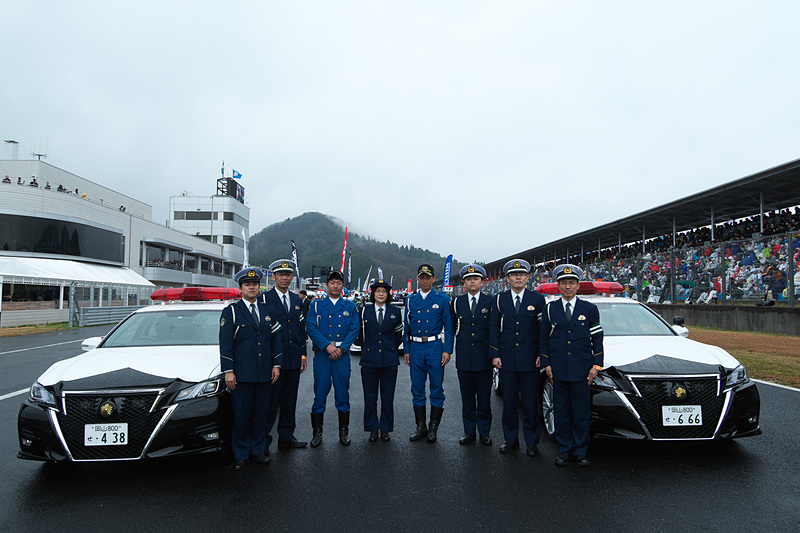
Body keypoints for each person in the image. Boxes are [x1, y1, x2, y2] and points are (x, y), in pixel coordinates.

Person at [219, 268, 283, 471]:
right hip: (242, 373)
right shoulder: (231, 311)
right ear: (240, 289)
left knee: (260, 414)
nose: (252, 287)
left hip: (264, 372)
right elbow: (225, 343)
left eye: (255, 285)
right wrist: (228, 370)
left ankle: (257, 450)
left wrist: (276, 365)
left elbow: (276, 340)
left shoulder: (267, 311)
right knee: (241, 414)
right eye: (248, 285)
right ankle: (240, 453)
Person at [540, 264, 604, 467]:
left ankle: (580, 450)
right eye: (564, 283)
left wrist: (597, 365)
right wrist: (547, 364)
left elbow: (598, 339)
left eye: (572, 283)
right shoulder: (550, 309)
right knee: (561, 410)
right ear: (558, 286)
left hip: (582, 369)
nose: (568, 286)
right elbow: (543, 339)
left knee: (581, 411)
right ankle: (564, 449)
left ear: (578, 286)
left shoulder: (590, 309)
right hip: (558, 368)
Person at [488, 259, 546, 457]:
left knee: (531, 404)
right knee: (510, 403)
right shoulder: (499, 299)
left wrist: (541, 355)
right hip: (507, 360)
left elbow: (542, 331)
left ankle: (532, 442)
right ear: (507, 279)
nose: (518, 277)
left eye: (521, 274)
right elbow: (494, 328)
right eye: (514, 275)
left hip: (530, 360)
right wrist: (494, 354)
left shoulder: (538, 300)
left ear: (527, 277)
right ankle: (510, 440)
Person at [306, 270, 360, 447]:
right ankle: (317, 433)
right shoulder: (316, 306)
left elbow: (354, 329)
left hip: (341, 355)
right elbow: (311, 327)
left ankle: (343, 432)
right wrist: (327, 346)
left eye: (339, 282)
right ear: (327, 285)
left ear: (342, 285)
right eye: (332, 282)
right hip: (323, 353)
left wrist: (342, 348)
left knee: (343, 392)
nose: (335, 285)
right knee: (320, 392)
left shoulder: (350, 307)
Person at [260, 259, 309, 453]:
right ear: (274, 277)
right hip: (273, 361)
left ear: (292, 278)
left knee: (290, 400)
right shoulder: (264, 299)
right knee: (270, 402)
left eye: (288, 275)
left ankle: (286, 436)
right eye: (280, 274)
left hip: (293, 358)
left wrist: (303, 355)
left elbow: (300, 329)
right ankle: (263, 441)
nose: (284, 278)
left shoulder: (297, 300)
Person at [404, 264, 454, 443]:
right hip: (416, 347)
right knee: (417, 388)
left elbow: (449, 328)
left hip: (434, 346)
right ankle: (421, 426)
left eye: (428, 277)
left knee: (436, 388)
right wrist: (407, 350)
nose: (425, 280)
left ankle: (433, 428)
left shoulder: (442, 299)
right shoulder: (410, 300)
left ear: (433, 279)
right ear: (418, 279)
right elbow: (406, 330)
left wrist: (447, 350)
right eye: (422, 277)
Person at [351, 279, 403, 442]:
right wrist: (368, 347)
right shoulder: (364, 311)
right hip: (369, 359)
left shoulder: (395, 311)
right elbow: (360, 335)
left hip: (389, 360)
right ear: (372, 293)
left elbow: (398, 336)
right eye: (377, 291)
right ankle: (373, 427)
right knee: (370, 396)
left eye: (384, 291)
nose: (381, 294)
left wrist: (389, 348)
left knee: (388, 397)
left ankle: (385, 428)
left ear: (388, 294)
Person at [450, 264, 493, 446]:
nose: (472, 281)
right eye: (469, 279)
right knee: (467, 399)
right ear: (464, 282)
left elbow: (494, 330)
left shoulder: (491, 302)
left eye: (476, 279)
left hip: (484, 359)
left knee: (484, 399)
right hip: (464, 359)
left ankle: (484, 433)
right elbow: (452, 329)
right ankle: (469, 432)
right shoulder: (456, 303)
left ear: (482, 282)